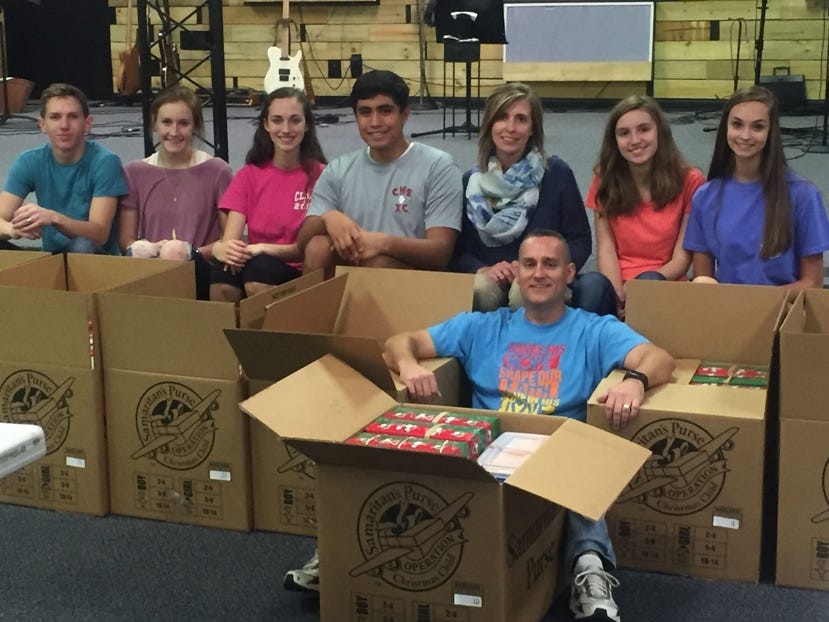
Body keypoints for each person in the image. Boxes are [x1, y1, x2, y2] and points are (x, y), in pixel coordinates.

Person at [384, 229, 675, 622]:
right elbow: (399, 341)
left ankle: (590, 570)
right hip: (486, 456)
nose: (539, 273)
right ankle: (347, 556)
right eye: (530, 264)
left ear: (570, 273)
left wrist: (634, 382)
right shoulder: (481, 327)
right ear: (517, 274)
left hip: (558, 459)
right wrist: (408, 365)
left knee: (578, 457)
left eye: (550, 264)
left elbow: (659, 358)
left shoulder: (593, 329)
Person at [455, 82, 615, 315]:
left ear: (532, 129)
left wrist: (541, 267)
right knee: (479, 289)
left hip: (544, 275)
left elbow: (579, 241)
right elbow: (459, 252)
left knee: (525, 292)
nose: (510, 127)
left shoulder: (556, 174)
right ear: (490, 125)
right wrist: (482, 269)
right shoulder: (471, 182)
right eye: (502, 117)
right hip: (491, 278)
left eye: (521, 119)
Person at [296, 69, 462, 278]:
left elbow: (441, 252)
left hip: (417, 280)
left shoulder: (438, 166)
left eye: (385, 111)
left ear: (405, 114)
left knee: (377, 261)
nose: (375, 122)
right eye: (365, 112)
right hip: (355, 273)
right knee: (317, 246)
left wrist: (383, 243)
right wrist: (328, 218)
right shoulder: (338, 169)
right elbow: (302, 243)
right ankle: (315, 310)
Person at [684, 85, 829, 296]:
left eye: (757, 127)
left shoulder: (803, 195)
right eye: (737, 124)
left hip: (782, 313)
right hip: (726, 313)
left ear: (771, 132)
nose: (745, 135)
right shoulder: (705, 197)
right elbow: (704, 282)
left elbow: (812, 283)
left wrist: (755, 305)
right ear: (726, 127)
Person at [586, 95, 705, 317]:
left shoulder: (690, 180)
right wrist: (617, 292)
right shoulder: (603, 179)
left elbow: (682, 257)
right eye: (624, 133)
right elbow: (606, 249)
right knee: (591, 286)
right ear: (615, 141)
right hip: (618, 282)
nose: (635, 140)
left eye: (644, 129)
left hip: (664, 280)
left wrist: (640, 289)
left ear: (659, 131)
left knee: (649, 282)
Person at [210, 87, 326, 302]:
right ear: (265, 124)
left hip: (298, 268)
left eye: (295, 120)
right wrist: (221, 249)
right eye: (277, 120)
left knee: (259, 271)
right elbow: (231, 240)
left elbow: (313, 249)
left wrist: (264, 248)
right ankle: (223, 332)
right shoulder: (249, 175)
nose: (286, 129)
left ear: (307, 124)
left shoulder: (322, 176)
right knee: (222, 274)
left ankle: (270, 333)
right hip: (255, 259)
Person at [119, 85, 233, 299]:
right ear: (154, 124)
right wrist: (152, 248)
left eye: (183, 123)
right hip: (151, 266)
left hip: (200, 267)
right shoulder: (134, 172)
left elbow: (228, 240)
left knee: (173, 251)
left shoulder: (217, 171)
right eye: (167, 122)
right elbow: (126, 239)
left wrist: (189, 251)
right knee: (140, 250)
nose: (174, 132)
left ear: (195, 126)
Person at [0, 83, 127, 254]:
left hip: (97, 260)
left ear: (87, 124)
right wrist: (12, 230)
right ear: (42, 124)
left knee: (82, 246)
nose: (64, 125)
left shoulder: (105, 162)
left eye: (73, 116)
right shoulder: (29, 161)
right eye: (55, 117)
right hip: (52, 259)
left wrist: (53, 218)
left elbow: (99, 234)